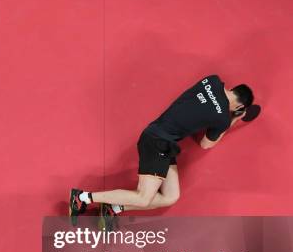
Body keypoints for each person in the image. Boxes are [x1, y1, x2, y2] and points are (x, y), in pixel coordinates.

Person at [69, 74, 259, 227]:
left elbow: (202, 105)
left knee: (171, 196)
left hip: (163, 141)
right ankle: (83, 197)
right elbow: (206, 144)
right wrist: (233, 119)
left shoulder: (211, 80)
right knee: (143, 198)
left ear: (233, 89)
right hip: (158, 142)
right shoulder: (223, 120)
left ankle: (112, 208)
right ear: (240, 106)